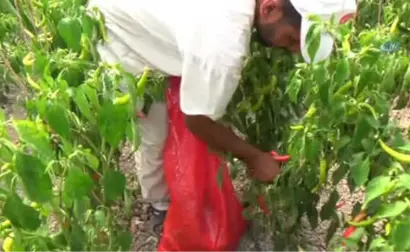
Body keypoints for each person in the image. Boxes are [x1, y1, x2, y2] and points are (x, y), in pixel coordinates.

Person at [88, 0, 357, 236]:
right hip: (118, 30)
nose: (294, 50)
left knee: (196, 88)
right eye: (290, 39)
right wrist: (254, 156)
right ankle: (160, 204)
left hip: (151, 15)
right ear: (270, 7)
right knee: (153, 130)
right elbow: (196, 120)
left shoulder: (232, 24)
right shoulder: (224, 42)